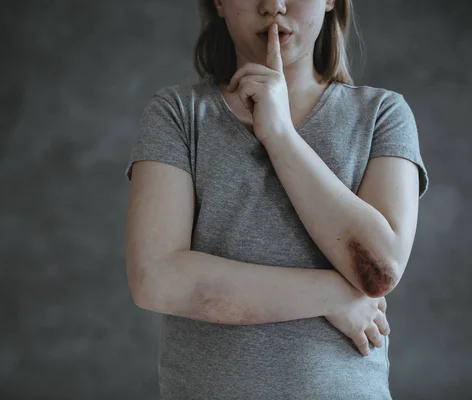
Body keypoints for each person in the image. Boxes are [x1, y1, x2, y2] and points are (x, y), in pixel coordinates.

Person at [124, 0, 429, 398]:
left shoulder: (382, 114)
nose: (273, 6)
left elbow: (379, 270)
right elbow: (156, 279)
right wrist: (334, 295)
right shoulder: (178, 115)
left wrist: (280, 134)